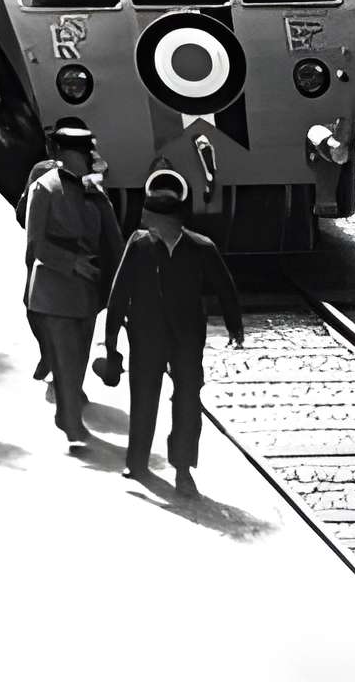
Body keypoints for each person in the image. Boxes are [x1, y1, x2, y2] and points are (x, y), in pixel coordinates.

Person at [97, 167, 247, 498]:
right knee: (143, 399)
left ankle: (183, 469)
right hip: (145, 337)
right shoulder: (138, 245)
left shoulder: (201, 248)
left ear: (167, 220)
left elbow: (226, 288)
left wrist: (235, 326)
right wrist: (110, 341)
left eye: (148, 215)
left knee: (187, 403)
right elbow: (119, 293)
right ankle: (136, 462)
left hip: (187, 340)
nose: (143, 220)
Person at [21, 121, 112, 448]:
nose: (90, 157)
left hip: (87, 292)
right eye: (85, 152)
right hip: (53, 290)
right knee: (64, 357)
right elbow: (36, 245)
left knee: (80, 357)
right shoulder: (43, 189)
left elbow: (107, 236)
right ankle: (72, 423)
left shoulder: (94, 190)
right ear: (66, 155)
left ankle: (68, 407)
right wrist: (71, 263)